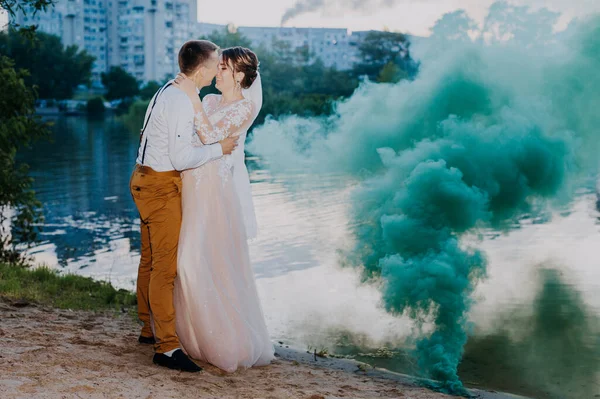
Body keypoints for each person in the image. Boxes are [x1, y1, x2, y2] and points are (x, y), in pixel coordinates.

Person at [129, 40, 237, 372]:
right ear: (202, 69)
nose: (218, 68)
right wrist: (221, 149)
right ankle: (166, 347)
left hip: (145, 179)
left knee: (149, 259)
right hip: (159, 186)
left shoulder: (170, 90)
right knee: (165, 268)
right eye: (216, 63)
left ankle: (149, 328)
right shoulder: (179, 99)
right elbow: (181, 157)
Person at [173, 46, 274, 372]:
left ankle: (227, 341)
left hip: (214, 190)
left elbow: (209, 134)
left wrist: (190, 96)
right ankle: (193, 337)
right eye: (218, 68)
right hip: (191, 182)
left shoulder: (244, 109)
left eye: (224, 69)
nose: (217, 73)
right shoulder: (211, 101)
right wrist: (192, 102)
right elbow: (192, 136)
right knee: (191, 261)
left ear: (240, 76)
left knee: (198, 259)